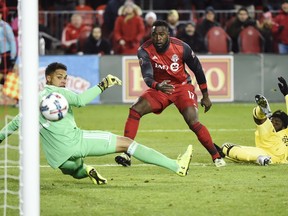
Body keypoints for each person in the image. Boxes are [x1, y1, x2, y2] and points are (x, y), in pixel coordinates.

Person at [0, 62, 193, 185]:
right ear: (48, 78)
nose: (63, 80)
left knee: (75, 170)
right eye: (59, 77)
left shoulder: (33, 101)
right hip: (76, 142)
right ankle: (176, 166)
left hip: (56, 156)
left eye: (65, 77)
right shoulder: (61, 94)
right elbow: (82, 101)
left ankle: (87, 170)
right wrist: (104, 84)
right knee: (127, 143)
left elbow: (14, 124)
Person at [115, 20, 226, 168]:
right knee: (136, 109)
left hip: (182, 87)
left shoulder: (181, 47)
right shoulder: (144, 50)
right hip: (160, 88)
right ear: (151, 35)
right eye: (155, 35)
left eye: (161, 34)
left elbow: (197, 69)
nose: (158, 38)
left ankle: (216, 156)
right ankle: (126, 153)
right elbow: (147, 76)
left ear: (168, 34)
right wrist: (157, 86)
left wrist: (205, 95)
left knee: (192, 121)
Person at [219, 76, 288, 165]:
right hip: (265, 151)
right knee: (227, 147)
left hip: (275, 157)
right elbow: (263, 122)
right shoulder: (269, 129)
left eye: (277, 122)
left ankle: (261, 159)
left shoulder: (286, 132)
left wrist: (287, 94)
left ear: (284, 126)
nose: (274, 122)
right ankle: (261, 110)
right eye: (272, 120)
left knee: (232, 149)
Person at [0, 9, 17, 85]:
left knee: (5, 75)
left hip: (6, 54)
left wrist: (12, 56)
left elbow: (12, 41)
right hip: (1, 55)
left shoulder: (5, 26)